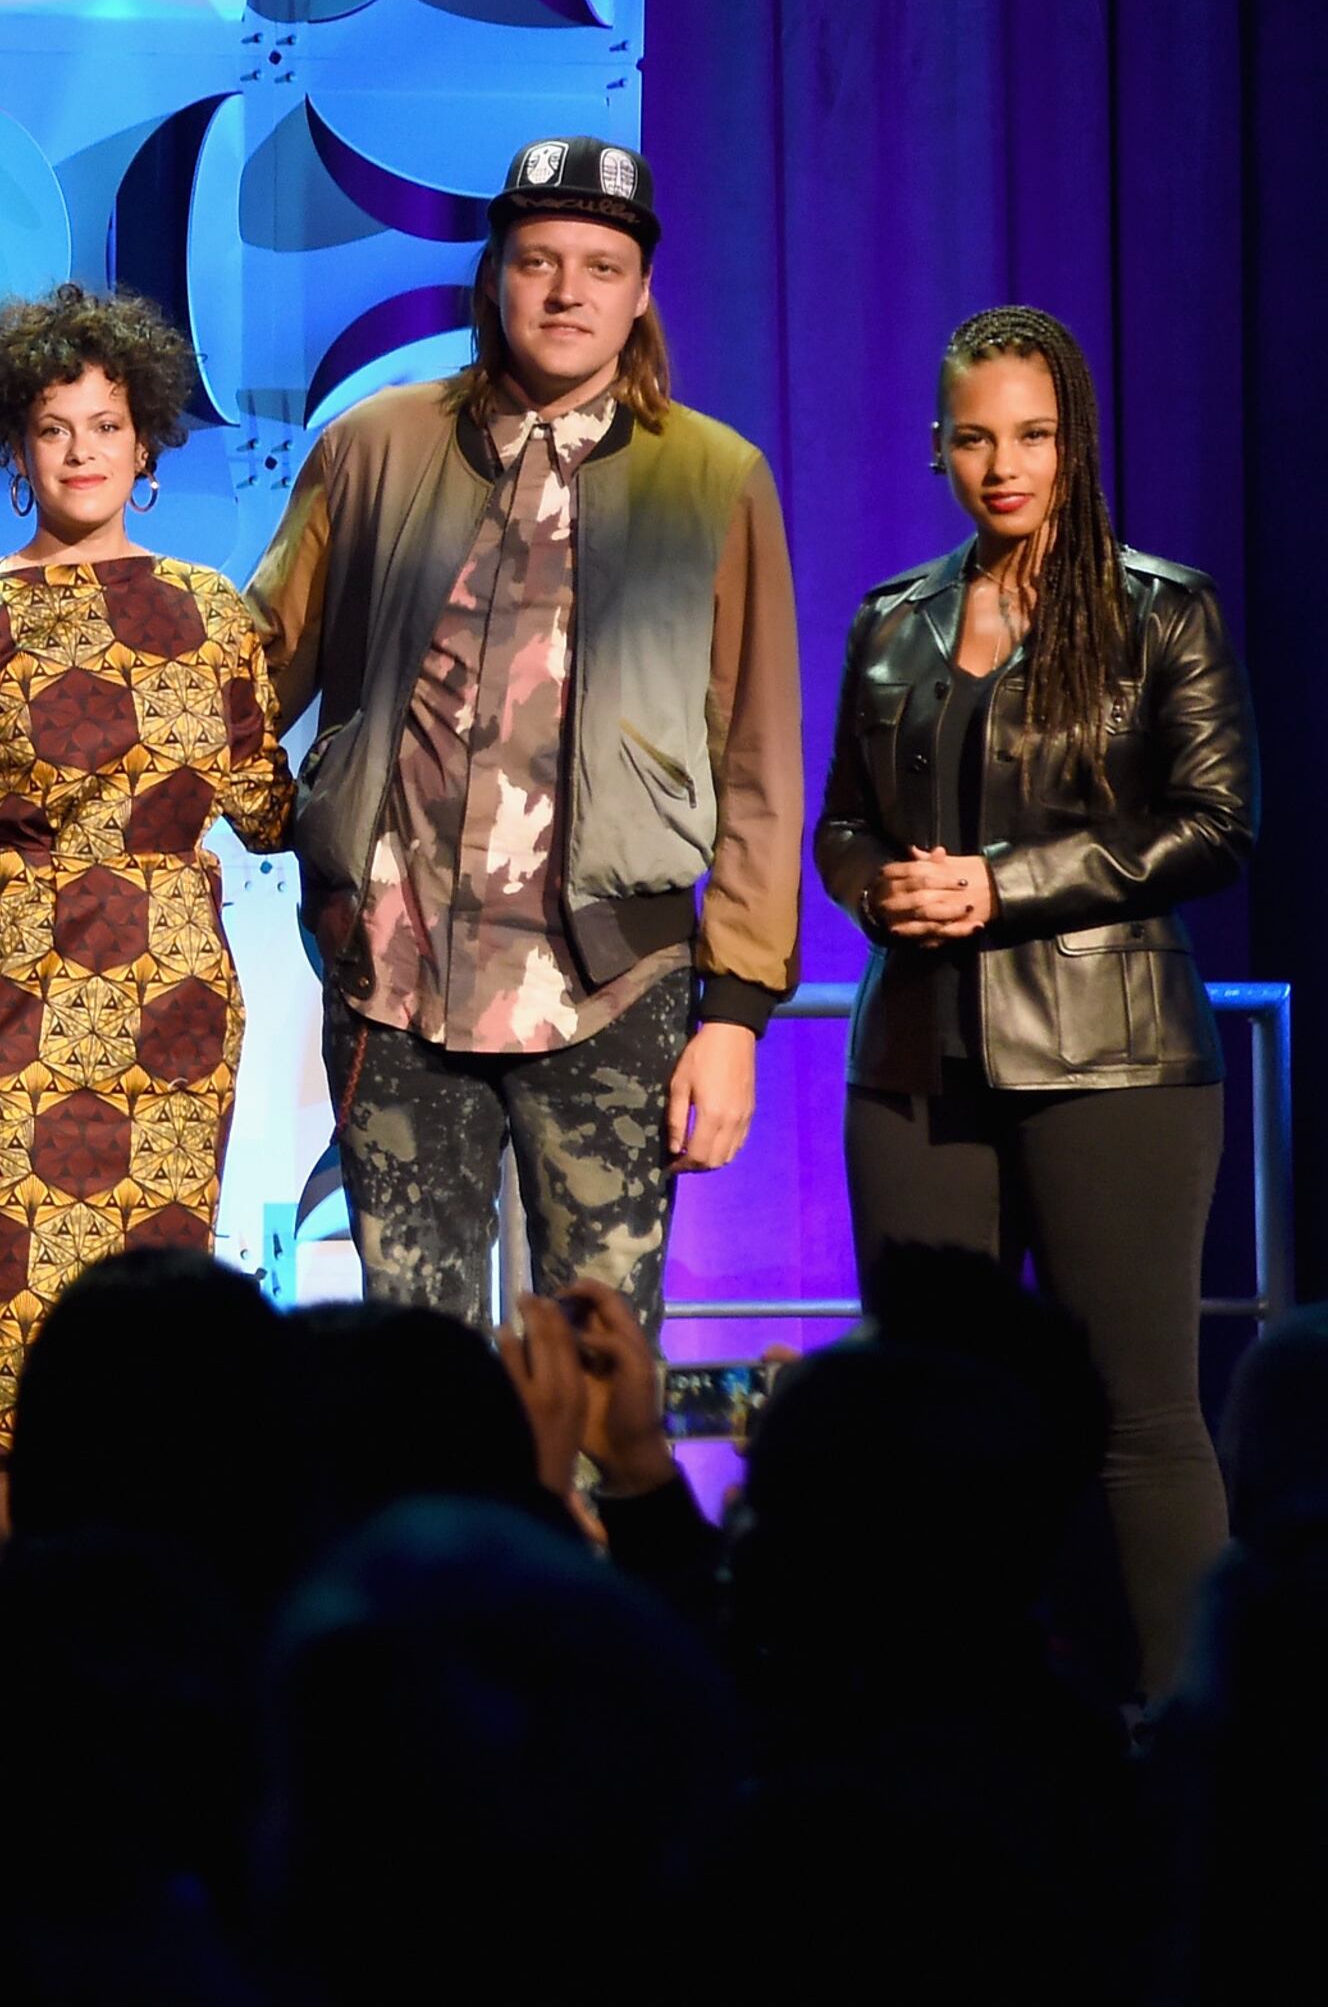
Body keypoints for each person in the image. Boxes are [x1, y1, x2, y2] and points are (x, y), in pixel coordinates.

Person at [247, 136, 801, 1327]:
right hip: (395, 975)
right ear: (494, 275)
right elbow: (250, 674)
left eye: (601, 268)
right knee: (414, 1359)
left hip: (614, 983)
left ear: (640, 293)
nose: (566, 293)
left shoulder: (714, 477)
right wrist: (291, 822)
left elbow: (758, 761)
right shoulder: (374, 446)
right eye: (539, 261)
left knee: (599, 1353)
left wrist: (737, 1018)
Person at [816, 305, 1256, 1694]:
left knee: (1141, 1420)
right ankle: (929, 1735)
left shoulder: (1162, 609)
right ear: (937, 448)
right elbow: (843, 824)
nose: (1003, 467)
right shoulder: (892, 621)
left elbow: (1216, 824)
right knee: (924, 1417)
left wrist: (1000, 887)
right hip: (915, 1058)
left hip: (1114, 1057)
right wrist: (882, 890)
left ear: (1075, 444)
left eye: (1032, 436)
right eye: (974, 439)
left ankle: (1193, 1735)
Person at [0, 285, 291, 1441]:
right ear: (19, 449)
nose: (82, 452)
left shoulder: (212, 613)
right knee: (8, 1356)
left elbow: (271, 809)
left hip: (177, 1019)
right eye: (54, 429)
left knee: (160, 1361)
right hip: (16, 1017)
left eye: (107, 426)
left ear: (147, 442)